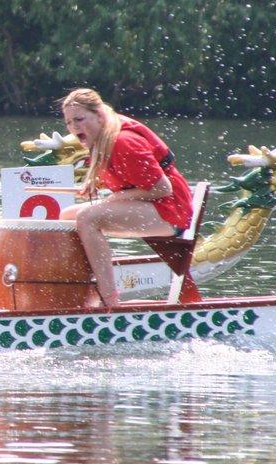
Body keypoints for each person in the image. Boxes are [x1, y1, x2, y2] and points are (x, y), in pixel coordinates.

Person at [57, 88, 193, 308]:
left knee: (87, 217)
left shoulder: (124, 141)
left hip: (170, 212)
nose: (74, 128)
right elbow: (129, 177)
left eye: (80, 119)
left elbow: (163, 189)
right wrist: (97, 184)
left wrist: (115, 197)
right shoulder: (101, 137)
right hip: (151, 207)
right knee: (66, 216)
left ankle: (107, 299)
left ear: (100, 115)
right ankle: (80, 289)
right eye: (69, 123)